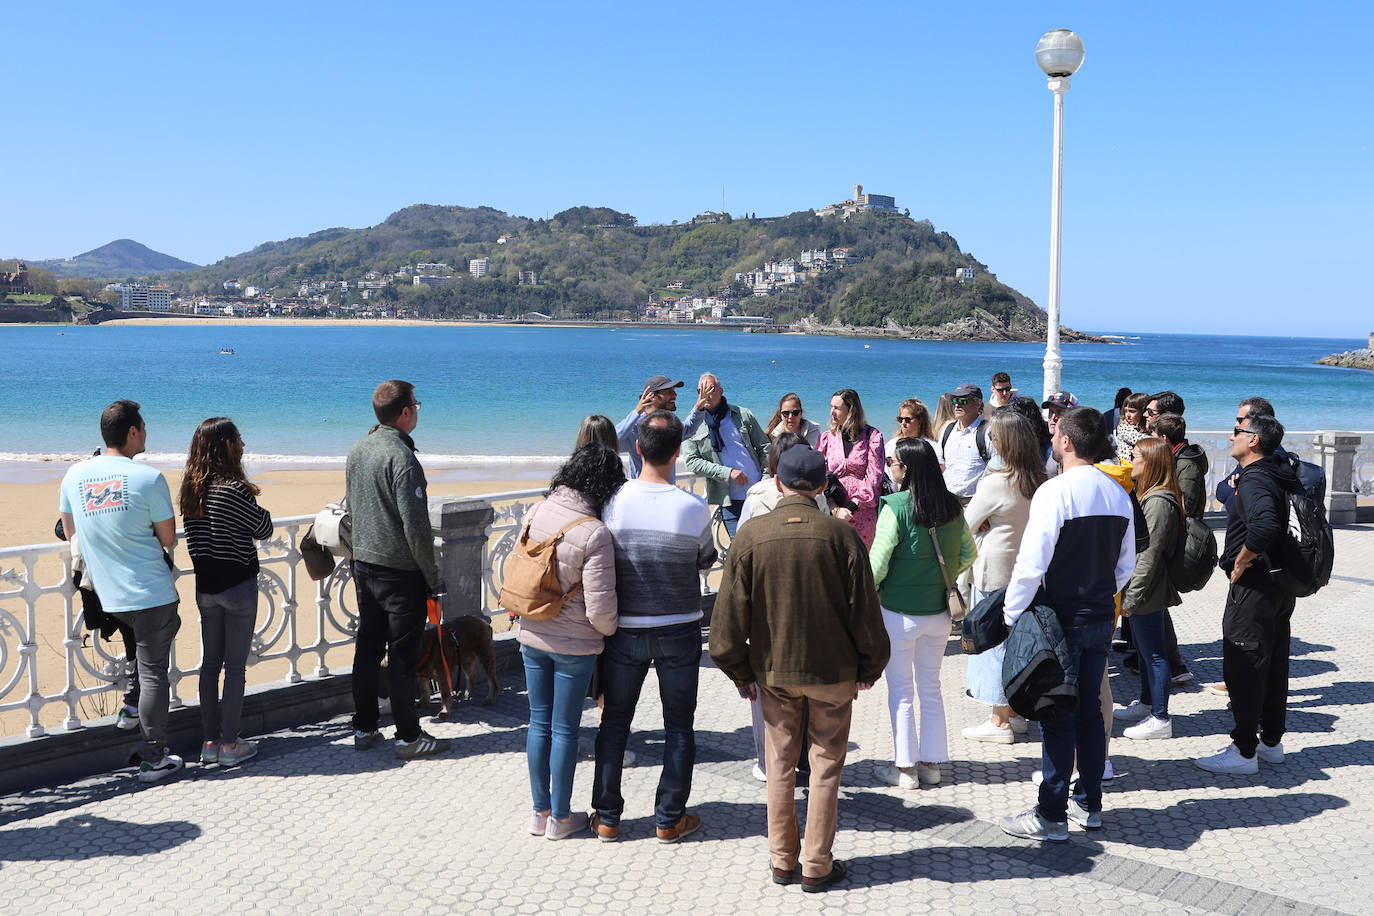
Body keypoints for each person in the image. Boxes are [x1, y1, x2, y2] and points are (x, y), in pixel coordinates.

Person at [709, 445, 890, 892]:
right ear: (824, 487)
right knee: (826, 767)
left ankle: (780, 859)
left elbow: (727, 617)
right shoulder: (842, 536)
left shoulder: (750, 535)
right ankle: (816, 863)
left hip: (774, 672)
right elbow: (865, 613)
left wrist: (739, 672)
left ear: (778, 483)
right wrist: (871, 666)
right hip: (834, 673)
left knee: (780, 765)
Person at [999, 407, 1135, 842]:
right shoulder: (1118, 493)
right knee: (1091, 712)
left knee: (1057, 713)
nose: (1053, 437)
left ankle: (1051, 814)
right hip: (1100, 615)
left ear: (1067, 443)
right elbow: (1126, 565)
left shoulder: (1055, 492)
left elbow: (1030, 563)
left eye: (1057, 433)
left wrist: (1010, 614)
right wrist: (1097, 591)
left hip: (1061, 617)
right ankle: (1088, 804)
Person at [592, 410, 717, 843]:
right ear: (680, 452)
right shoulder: (694, 508)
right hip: (680, 628)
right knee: (679, 725)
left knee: (615, 724)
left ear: (638, 448)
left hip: (623, 629)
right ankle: (669, 818)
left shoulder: (612, 502)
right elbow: (705, 559)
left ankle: (607, 817)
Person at [59, 400, 184, 783]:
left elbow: (69, 532)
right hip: (150, 594)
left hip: (106, 595)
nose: (146, 433)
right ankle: (153, 758)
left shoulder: (74, 476)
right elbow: (168, 538)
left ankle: (131, 709)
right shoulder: (149, 478)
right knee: (154, 676)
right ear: (132, 432)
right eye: (143, 427)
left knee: (143, 670)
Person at [516, 443, 623, 840]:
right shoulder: (594, 533)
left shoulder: (537, 510)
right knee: (565, 729)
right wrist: (610, 632)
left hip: (531, 632)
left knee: (537, 722)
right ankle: (561, 818)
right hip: (574, 645)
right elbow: (599, 610)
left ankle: (538, 813)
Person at [346, 380, 451, 759]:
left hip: (364, 563)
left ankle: (363, 726)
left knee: (368, 650)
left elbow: (353, 509)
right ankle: (408, 736)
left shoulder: (359, 449)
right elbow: (416, 527)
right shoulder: (403, 459)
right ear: (405, 412)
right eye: (416, 405)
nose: (418, 411)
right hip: (398, 570)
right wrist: (432, 576)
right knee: (403, 657)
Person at [1195, 414, 1300, 776]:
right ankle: (1271, 743)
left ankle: (1243, 752)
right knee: (1273, 663)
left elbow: (1267, 524)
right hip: (1278, 584)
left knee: (1244, 664)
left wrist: (1240, 562)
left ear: (1253, 440)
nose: (1231, 436)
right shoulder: (1279, 473)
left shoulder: (1255, 479)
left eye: (1238, 432)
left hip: (1254, 586)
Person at [869, 438, 974, 788]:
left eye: (894, 461)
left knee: (901, 691)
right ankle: (931, 764)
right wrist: (946, 577)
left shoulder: (896, 506)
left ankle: (904, 769)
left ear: (907, 468)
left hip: (898, 613)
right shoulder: (952, 507)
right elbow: (968, 553)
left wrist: (872, 591)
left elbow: (878, 562)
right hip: (939, 612)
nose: (890, 466)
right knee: (930, 687)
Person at [180, 417, 273, 768]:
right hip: (237, 585)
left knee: (209, 666)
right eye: (239, 440)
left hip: (206, 587)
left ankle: (209, 742)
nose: (244, 445)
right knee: (234, 669)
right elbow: (262, 527)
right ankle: (230, 745)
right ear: (226, 447)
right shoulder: (233, 490)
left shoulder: (191, 490)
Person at [735, 431, 829, 782]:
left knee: (769, 703)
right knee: (807, 695)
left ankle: (770, 763)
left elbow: (738, 566)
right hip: (813, 614)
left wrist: (732, 658)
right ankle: (805, 761)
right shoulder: (821, 509)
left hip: (766, 614)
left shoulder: (755, 501)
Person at [962, 411, 1045, 744]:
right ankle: (1016, 711)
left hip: (994, 571)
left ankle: (999, 721)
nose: (990, 442)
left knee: (993, 643)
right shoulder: (1039, 478)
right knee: (1018, 643)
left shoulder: (997, 481)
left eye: (994, 437)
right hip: (1027, 571)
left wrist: (985, 526)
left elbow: (965, 525)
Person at [1114, 438, 1184, 741]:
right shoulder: (1149, 496)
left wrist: (1131, 597)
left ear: (1152, 463)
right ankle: (1146, 704)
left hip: (1147, 590)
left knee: (1155, 654)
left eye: (1136, 457)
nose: (1130, 461)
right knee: (1143, 651)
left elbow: (1149, 556)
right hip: (1143, 588)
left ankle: (1160, 717)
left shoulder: (1158, 502)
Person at [682, 372, 769, 538]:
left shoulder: (742, 415)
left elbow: (765, 447)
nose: (706, 394)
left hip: (758, 493)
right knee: (739, 550)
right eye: (701, 390)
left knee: (764, 546)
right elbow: (691, 461)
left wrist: (765, 480)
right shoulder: (692, 426)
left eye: (711, 389)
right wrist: (727, 473)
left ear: (721, 391)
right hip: (730, 500)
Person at [818, 388, 885, 548]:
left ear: (852, 410)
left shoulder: (872, 437)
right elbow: (820, 473)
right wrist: (834, 507)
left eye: (837, 408)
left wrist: (852, 506)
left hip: (864, 512)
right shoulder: (827, 438)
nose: (831, 412)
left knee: (863, 563)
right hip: (833, 510)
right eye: (831, 407)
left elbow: (874, 477)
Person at [614, 375, 706, 480]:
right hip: (642, 493)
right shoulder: (635, 427)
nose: (675, 395)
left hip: (668, 492)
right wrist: (636, 412)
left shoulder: (670, 423)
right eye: (669, 391)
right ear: (652, 396)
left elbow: (690, 428)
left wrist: (699, 408)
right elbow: (612, 441)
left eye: (674, 391)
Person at [938, 383, 992, 503]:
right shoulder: (947, 431)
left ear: (978, 403)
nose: (957, 405)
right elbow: (941, 465)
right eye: (954, 400)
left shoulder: (987, 432)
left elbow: (997, 469)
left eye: (962, 400)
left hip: (975, 503)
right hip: (948, 502)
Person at [1040, 391, 1079, 477]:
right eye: (1051, 411)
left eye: (1060, 412)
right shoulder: (1044, 441)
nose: (1053, 418)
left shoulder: (1074, 450)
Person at [1113, 392, 1150, 463]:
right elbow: (1140, 439)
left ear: (1143, 411)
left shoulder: (1144, 427)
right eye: (1126, 411)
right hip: (1126, 466)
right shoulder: (1124, 427)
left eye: (1132, 411)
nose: (1128, 415)